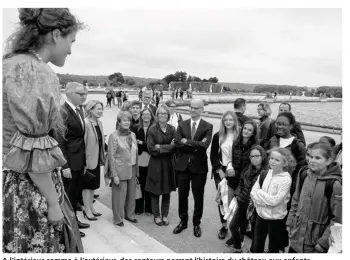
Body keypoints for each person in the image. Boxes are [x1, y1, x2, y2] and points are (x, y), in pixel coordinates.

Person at [3, 8, 84, 252]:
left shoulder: (10, 63)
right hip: (27, 185)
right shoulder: (33, 70)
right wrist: (52, 202)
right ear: (56, 34)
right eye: (71, 41)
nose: (70, 50)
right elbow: (31, 149)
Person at [286, 144, 342, 253]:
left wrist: (323, 243)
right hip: (296, 238)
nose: (312, 160)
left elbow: (338, 219)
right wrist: (290, 223)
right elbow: (296, 200)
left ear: (329, 160)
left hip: (314, 244)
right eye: (311, 157)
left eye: (317, 158)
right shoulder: (303, 174)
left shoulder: (334, 184)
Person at [173, 99, 213, 238]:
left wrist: (187, 142)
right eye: (191, 107)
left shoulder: (208, 126)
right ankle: (183, 221)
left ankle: (197, 223)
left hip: (199, 168)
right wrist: (195, 144)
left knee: (198, 197)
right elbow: (178, 142)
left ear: (202, 109)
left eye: (196, 108)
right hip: (183, 166)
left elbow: (205, 146)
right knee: (182, 196)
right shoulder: (182, 124)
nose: (193, 110)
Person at [57, 82, 90, 237]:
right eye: (80, 94)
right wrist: (64, 165)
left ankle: (74, 220)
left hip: (79, 159)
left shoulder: (79, 110)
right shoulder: (63, 112)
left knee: (75, 192)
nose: (84, 97)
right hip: (70, 160)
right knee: (68, 194)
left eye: (85, 94)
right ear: (68, 93)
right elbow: (60, 140)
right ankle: (68, 227)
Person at [250, 148, 295, 253]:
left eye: (277, 160)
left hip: (276, 220)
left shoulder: (286, 179)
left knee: (273, 247)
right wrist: (262, 201)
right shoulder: (265, 173)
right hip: (260, 216)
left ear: (285, 163)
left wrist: (260, 193)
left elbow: (275, 201)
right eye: (271, 158)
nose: (272, 161)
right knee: (257, 245)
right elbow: (253, 192)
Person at [228, 145, 269, 253]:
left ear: (263, 156)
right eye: (252, 156)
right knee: (233, 226)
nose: (254, 159)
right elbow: (241, 183)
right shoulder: (248, 168)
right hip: (242, 202)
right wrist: (237, 194)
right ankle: (237, 246)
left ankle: (253, 251)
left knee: (256, 232)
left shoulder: (266, 172)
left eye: (257, 156)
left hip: (254, 207)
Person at [145, 104, 177, 226]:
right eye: (160, 113)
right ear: (157, 115)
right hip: (156, 164)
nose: (162, 115)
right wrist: (168, 146)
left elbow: (175, 147)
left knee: (166, 191)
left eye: (165, 113)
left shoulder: (172, 129)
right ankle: (156, 215)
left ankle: (164, 215)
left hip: (169, 163)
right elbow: (151, 149)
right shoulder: (152, 129)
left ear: (168, 115)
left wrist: (161, 147)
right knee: (155, 191)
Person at [210, 110, 240, 240]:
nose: (228, 122)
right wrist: (219, 170)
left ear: (235, 121)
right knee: (222, 200)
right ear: (223, 121)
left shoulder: (240, 135)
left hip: (236, 171)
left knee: (236, 200)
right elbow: (213, 155)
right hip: (221, 171)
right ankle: (224, 227)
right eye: (226, 120)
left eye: (231, 120)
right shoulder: (218, 136)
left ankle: (235, 228)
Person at [106, 111, 138, 227]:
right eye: (124, 120)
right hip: (120, 170)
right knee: (119, 195)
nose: (127, 122)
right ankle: (118, 218)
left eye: (129, 120)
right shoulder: (113, 136)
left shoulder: (132, 135)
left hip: (133, 168)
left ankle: (130, 215)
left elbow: (134, 152)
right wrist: (114, 174)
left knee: (131, 194)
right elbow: (111, 156)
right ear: (119, 122)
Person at [82, 100, 106, 220]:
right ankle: (86, 209)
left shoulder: (100, 123)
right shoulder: (85, 123)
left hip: (97, 160)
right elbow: (83, 143)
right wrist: (84, 161)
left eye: (101, 109)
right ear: (90, 110)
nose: (100, 111)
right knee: (87, 186)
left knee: (93, 186)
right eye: (98, 109)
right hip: (88, 160)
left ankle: (91, 207)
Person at [134, 108, 155, 215]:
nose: (146, 116)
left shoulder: (155, 128)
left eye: (148, 114)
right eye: (144, 114)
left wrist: (142, 143)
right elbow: (133, 144)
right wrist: (146, 145)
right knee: (140, 184)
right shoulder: (136, 128)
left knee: (149, 185)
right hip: (140, 160)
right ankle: (139, 208)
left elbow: (153, 146)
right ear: (141, 116)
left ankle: (149, 208)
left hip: (152, 160)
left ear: (151, 116)